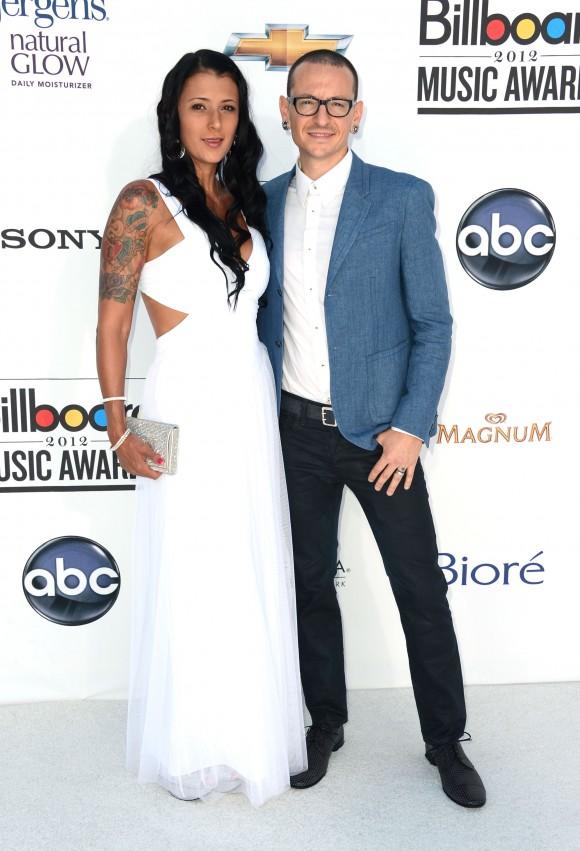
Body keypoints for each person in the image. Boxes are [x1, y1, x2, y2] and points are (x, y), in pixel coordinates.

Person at [257, 49, 486, 808]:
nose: (321, 116)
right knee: (309, 584)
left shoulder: (400, 198)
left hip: (381, 439)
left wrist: (411, 427)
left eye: (336, 103)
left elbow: (434, 323)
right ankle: (325, 721)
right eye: (307, 102)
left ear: (358, 114)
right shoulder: (260, 205)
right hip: (292, 432)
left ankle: (445, 738)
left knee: (419, 586)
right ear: (286, 112)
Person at [96, 50, 306, 806]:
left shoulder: (244, 199)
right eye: (198, 106)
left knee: (245, 561)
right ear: (174, 116)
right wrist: (119, 428)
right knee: (192, 564)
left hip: (248, 400)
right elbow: (114, 326)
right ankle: (192, 742)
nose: (214, 122)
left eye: (226, 107)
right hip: (184, 396)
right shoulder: (142, 202)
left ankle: (247, 732)